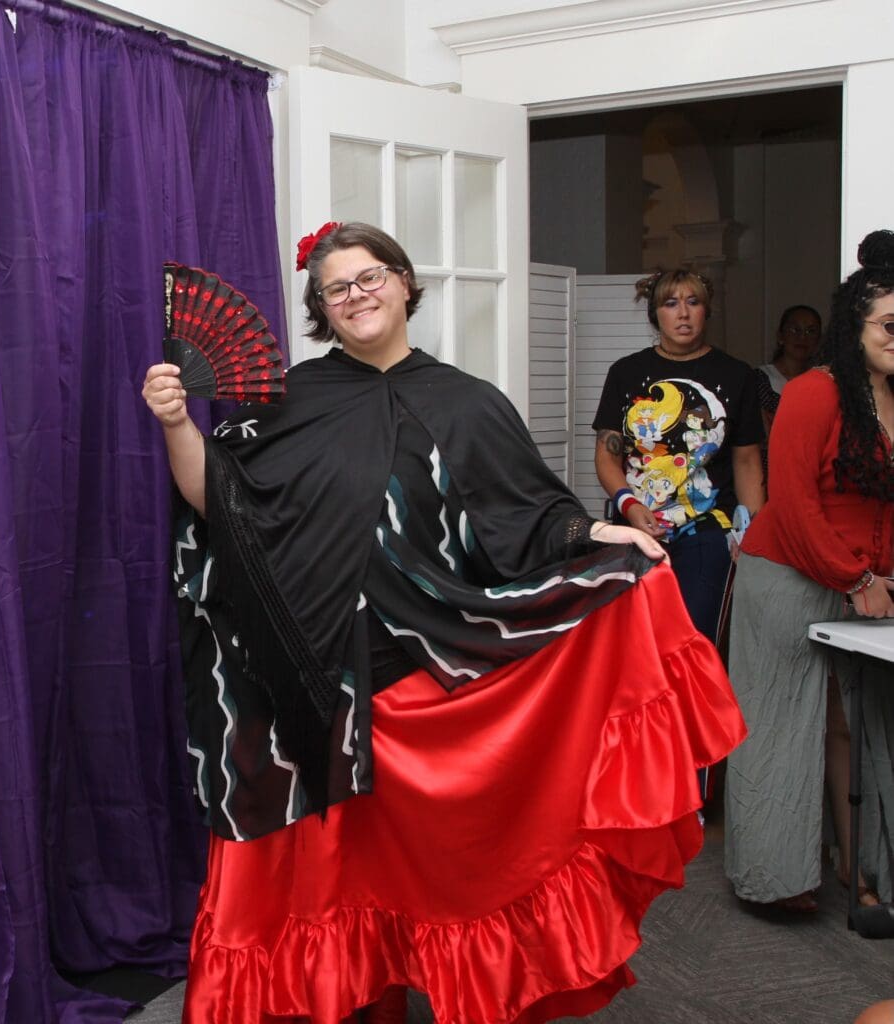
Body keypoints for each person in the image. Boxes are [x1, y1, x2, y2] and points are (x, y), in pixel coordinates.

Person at [143, 222, 746, 1023]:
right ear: (321, 308)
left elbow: (531, 513)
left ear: (402, 283)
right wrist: (179, 424)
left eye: (369, 278)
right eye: (336, 288)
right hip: (317, 675)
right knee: (342, 873)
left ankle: (462, 985)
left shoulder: (467, 400)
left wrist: (601, 535)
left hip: (430, 669)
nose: (355, 296)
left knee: (438, 867)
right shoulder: (290, 400)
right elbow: (213, 500)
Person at [724, 229, 894, 915]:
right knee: (784, 727)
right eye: (889, 324)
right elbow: (791, 505)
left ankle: (862, 870)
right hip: (789, 576)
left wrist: (875, 575)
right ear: (858, 324)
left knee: (860, 725)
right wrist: (856, 579)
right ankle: (778, 878)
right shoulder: (814, 393)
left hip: (866, 583)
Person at [592, 268, 766, 644]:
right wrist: (628, 504)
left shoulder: (737, 375)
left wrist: (752, 532)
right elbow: (607, 455)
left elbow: (748, 460)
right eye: (671, 303)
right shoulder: (626, 372)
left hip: (707, 528)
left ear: (707, 311)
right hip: (635, 525)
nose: (683, 314)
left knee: (693, 638)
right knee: (634, 640)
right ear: (656, 314)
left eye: (693, 302)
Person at [755, 305, 822, 476]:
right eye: (795, 329)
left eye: (810, 331)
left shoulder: (825, 382)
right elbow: (764, 437)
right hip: (771, 473)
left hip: (813, 472)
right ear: (781, 336)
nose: (802, 337)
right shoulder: (759, 378)